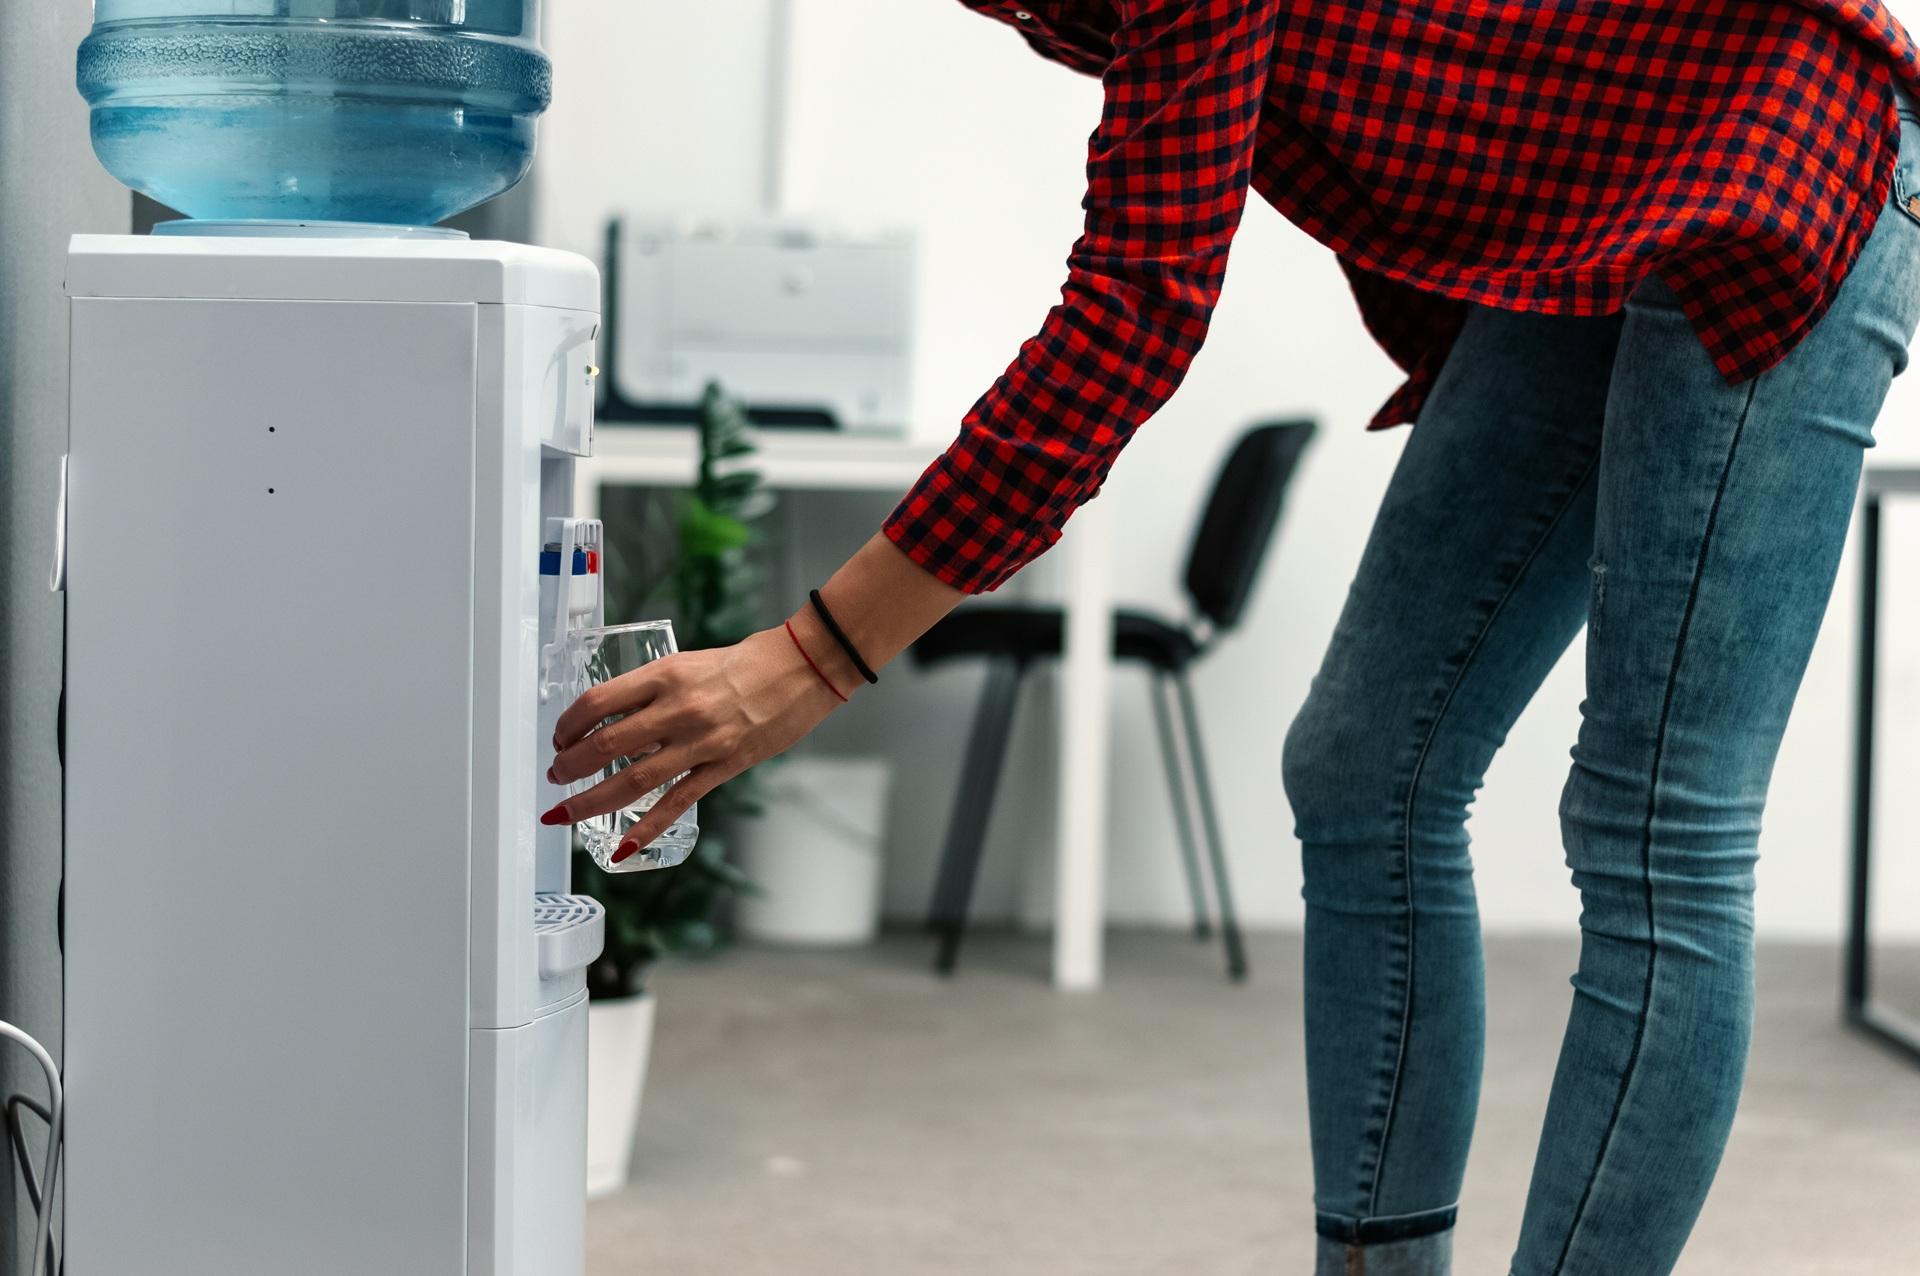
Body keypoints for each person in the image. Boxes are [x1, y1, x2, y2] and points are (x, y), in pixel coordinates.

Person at [543, 3, 1920, 1272]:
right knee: (1363, 768)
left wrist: (809, 659)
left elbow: (1134, 310)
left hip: (1785, 153)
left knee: (1657, 828)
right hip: (1609, 196)